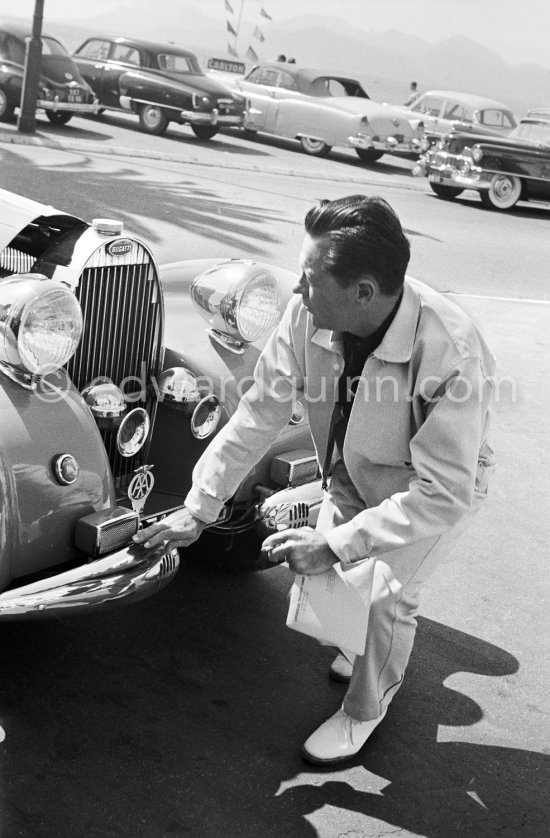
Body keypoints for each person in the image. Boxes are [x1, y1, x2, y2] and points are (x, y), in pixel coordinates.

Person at [134, 195, 496, 766]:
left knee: (385, 595)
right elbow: (259, 412)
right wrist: (200, 507)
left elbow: (442, 492)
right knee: (343, 594)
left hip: (430, 487)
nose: (296, 292)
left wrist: (331, 543)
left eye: (308, 280)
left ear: (364, 293)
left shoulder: (452, 352)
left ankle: (365, 709)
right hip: (350, 470)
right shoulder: (309, 312)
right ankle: (363, 644)